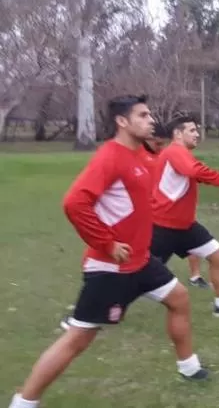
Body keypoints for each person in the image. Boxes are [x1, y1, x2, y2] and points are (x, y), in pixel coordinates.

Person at [9, 96, 208, 408]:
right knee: (78, 338)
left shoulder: (139, 155)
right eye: (142, 115)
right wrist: (107, 243)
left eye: (150, 114)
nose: (150, 119)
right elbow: (75, 203)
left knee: (179, 298)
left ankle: (188, 366)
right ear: (122, 121)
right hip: (111, 268)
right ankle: (23, 402)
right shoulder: (110, 157)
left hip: (142, 262)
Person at [150, 115, 219, 317]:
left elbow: (189, 172)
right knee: (134, 273)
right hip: (163, 227)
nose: (197, 134)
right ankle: (91, 312)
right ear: (178, 134)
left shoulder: (179, 153)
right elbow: (192, 170)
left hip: (185, 226)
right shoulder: (175, 151)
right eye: (192, 130)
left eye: (197, 130)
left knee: (218, 255)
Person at [142, 124, 209, 290]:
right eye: (158, 144)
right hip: (151, 211)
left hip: (170, 210)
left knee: (192, 240)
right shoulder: (140, 157)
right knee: (150, 255)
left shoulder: (170, 155)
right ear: (147, 140)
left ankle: (195, 276)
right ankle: (137, 280)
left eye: (163, 143)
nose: (162, 147)